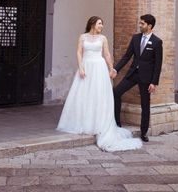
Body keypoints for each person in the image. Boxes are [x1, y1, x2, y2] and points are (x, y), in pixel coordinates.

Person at [56, 16, 142, 152]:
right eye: (99, 23)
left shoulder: (103, 38)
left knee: (98, 95)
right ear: (92, 24)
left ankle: (98, 123)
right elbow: (79, 52)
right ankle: (83, 123)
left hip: (99, 68)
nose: (101, 26)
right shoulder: (82, 37)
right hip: (86, 66)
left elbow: (107, 54)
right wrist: (81, 67)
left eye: (102, 24)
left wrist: (111, 68)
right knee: (84, 95)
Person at [112, 14, 163, 143]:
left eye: (142, 24)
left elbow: (158, 64)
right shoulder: (135, 38)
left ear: (149, 26)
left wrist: (154, 82)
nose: (140, 26)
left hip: (147, 78)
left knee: (145, 105)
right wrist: (116, 69)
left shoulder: (157, 42)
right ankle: (117, 124)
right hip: (133, 74)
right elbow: (126, 56)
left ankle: (144, 132)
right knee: (116, 93)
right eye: (140, 23)